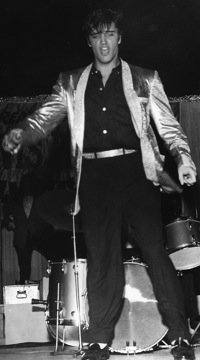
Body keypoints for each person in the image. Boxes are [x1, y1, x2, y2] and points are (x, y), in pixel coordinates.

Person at [2, 8, 197, 360]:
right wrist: (22, 133)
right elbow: (46, 117)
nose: (104, 42)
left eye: (110, 34)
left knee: (155, 251)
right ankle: (99, 339)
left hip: (136, 173)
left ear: (119, 38)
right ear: (89, 41)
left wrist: (183, 158)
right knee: (102, 257)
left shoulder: (144, 78)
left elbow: (168, 127)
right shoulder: (72, 81)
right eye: (97, 36)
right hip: (93, 177)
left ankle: (181, 335)